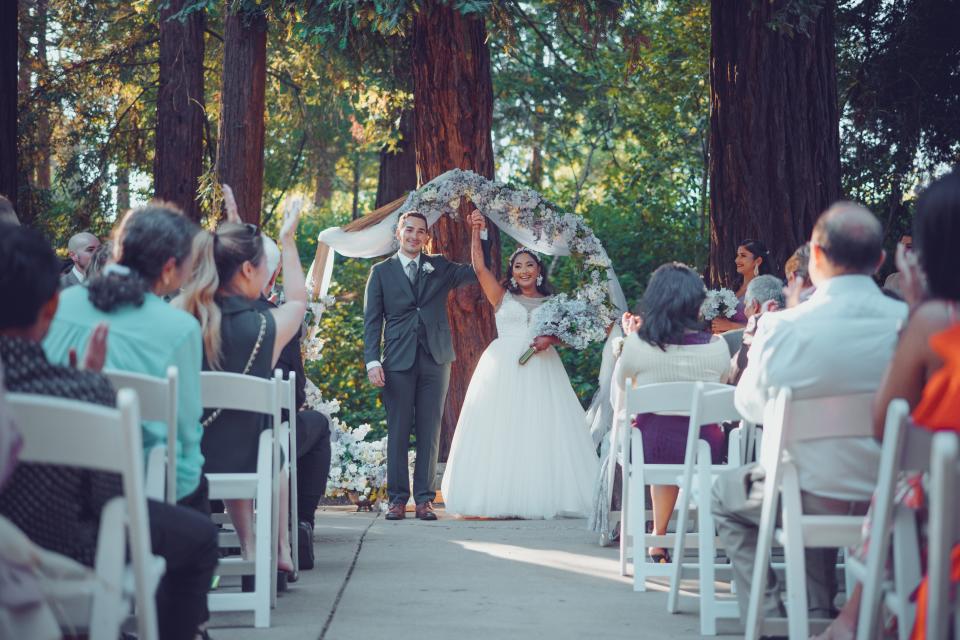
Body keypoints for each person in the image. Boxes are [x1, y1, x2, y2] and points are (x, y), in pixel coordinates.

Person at [0, 224, 218, 640]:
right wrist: (88, 388)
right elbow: (110, 496)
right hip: (66, 546)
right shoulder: (85, 389)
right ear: (50, 306)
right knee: (199, 537)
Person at [712, 202, 908, 624]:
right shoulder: (910, 325)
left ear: (815, 257)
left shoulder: (783, 328)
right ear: (878, 261)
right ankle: (819, 608)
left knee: (727, 495)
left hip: (805, 492)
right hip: (890, 496)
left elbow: (748, 405)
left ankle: (767, 618)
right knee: (807, 472)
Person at [814, 170, 960, 640]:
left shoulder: (936, 321)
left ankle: (855, 621)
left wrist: (916, 309)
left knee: (906, 482)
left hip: (946, 513)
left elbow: (886, 428)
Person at [43, 204, 208, 511]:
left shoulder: (60, 306)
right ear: (170, 266)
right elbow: (185, 437)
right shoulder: (180, 327)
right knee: (202, 541)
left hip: (49, 487)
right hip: (140, 491)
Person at [175, 196, 307, 575]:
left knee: (238, 435)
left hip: (184, 460)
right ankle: (272, 548)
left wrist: (229, 235)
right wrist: (288, 238)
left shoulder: (180, 318)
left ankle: (250, 545)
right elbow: (298, 300)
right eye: (265, 269)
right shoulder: (266, 327)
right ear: (249, 270)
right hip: (246, 460)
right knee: (265, 442)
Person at [440, 211, 600, 519]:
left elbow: (570, 336)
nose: (524, 270)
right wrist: (477, 231)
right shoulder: (502, 297)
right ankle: (499, 496)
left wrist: (551, 341)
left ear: (539, 270)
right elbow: (479, 266)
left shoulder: (555, 304)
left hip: (543, 369)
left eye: (529, 265)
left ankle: (542, 496)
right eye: (518, 266)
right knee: (502, 429)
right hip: (502, 369)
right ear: (512, 272)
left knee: (541, 429)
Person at [362, 210, 479, 522]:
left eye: (420, 232)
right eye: (409, 230)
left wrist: (478, 234)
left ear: (427, 237)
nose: (415, 236)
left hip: (436, 358)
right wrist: (372, 360)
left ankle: (425, 500)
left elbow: (476, 272)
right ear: (399, 233)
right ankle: (398, 500)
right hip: (398, 359)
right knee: (398, 430)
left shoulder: (438, 266)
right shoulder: (381, 272)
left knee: (430, 430)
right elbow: (372, 322)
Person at [613, 262, 730, 562]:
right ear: (696, 303)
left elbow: (621, 387)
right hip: (706, 448)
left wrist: (630, 339)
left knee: (658, 432)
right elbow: (723, 385)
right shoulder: (717, 347)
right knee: (687, 431)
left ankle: (658, 537)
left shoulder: (638, 345)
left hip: (653, 448)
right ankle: (672, 536)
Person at [253, 234, 331, 570]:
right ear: (270, 277)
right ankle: (300, 523)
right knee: (316, 425)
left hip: (200, 447)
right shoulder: (277, 321)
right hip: (264, 445)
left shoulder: (193, 315)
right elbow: (295, 394)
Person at [728, 274, 786, 385]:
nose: (745, 310)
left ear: (755, 305)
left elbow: (732, 378)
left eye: (746, 305)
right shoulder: (798, 329)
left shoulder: (735, 340)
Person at [711, 239, 773, 334]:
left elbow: (767, 326)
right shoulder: (734, 286)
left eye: (743, 256)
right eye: (738, 255)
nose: (737, 260)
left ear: (758, 261)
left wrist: (731, 326)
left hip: (748, 344)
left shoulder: (765, 289)